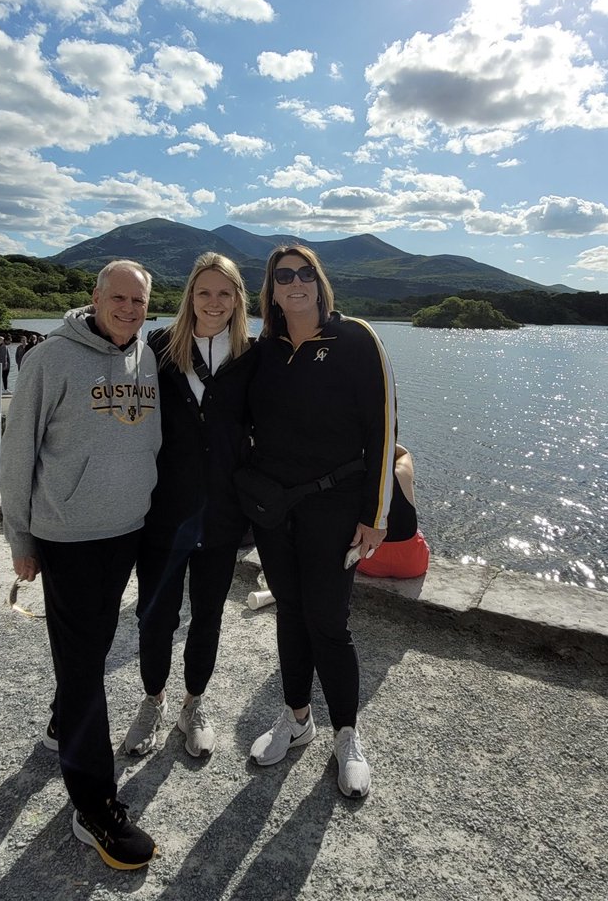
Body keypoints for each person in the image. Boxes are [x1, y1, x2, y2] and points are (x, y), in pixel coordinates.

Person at [0, 260, 162, 871]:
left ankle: (59, 726)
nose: (127, 309)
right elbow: (16, 456)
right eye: (117, 298)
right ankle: (92, 805)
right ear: (94, 298)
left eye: (138, 301)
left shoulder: (147, 356)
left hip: (127, 532)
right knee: (84, 661)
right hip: (66, 536)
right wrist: (20, 536)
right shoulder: (49, 360)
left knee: (88, 650)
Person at [243, 245, 396, 799]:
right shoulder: (263, 350)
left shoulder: (356, 339)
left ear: (319, 281)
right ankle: (297, 719)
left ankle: (347, 736)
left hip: (335, 506)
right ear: (273, 289)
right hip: (274, 510)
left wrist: (376, 516)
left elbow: (383, 429)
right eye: (284, 276)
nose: (296, 283)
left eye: (306, 273)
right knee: (289, 612)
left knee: (329, 621)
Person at [124, 252, 256, 758]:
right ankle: (152, 700)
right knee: (155, 616)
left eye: (225, 293)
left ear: (238, 299)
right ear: (190, 297)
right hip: (163, 511)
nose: (214, 302)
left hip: (223, 515)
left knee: (207, 615)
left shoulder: (253, 354)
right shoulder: (157, 346)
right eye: (204, 292)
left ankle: (192, 703)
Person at [356, 444, 430, 579]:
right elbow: (403, 453)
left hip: (368, 561)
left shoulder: (354, 477)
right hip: (413, 565)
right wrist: (376, 440)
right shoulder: (400, 472)